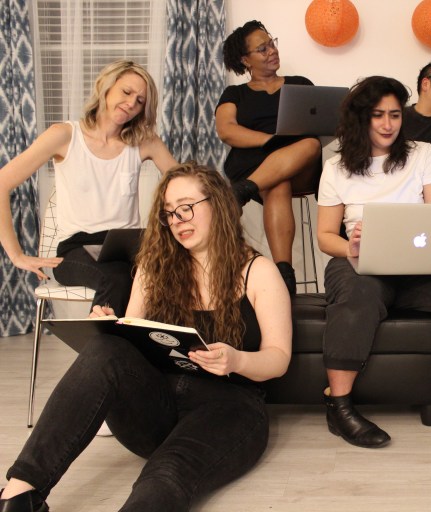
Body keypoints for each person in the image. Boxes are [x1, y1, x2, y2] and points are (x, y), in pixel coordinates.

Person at [0, 162, 292, 512]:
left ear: (218, 204)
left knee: (165, 474)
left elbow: (278, 358)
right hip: (159, 406)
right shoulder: (155, 268)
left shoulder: (258, 271)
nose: (178, 220)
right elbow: (131, 343)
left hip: (230, 408)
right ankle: (20, 493)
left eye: (186, 207)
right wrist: (112, 324)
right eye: (169, 213)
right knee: (107, 347)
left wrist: (237, 359)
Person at [316, 76, 431, 458]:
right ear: (360, 118)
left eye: (395, 115)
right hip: (359, 264)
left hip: (421, 267)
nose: (387, 124)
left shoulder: (422, 153)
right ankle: (340, 408)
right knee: (358, 292)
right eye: (378, 115)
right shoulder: (335, 166)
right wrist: (353, 246)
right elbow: (325, 237)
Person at [0, 60, 178, 317]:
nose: (131, 104)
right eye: (127, 92)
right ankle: (103, 353)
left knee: (169, 275)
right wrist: (16, 255)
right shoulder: (64, 135)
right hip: (76, 250)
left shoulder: (144, 142)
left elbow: (186, 183)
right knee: (118, 277)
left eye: (140, 101)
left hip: (127, 247)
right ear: (106, 87)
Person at [216, 19, 323, 296]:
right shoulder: (235, 93)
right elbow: (226, 130)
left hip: (301, 162)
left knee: (311, 144)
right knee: (278, 183)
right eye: (262, 49)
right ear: (245, 60)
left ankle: (239, 193)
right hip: (254, 163)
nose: (272, 51)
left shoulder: (300, 84)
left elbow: (320, 125)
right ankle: (285, 276)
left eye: (271, 43)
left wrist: (286, 146)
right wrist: (270, 142)